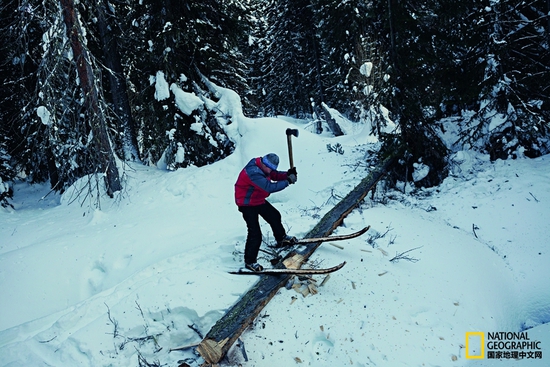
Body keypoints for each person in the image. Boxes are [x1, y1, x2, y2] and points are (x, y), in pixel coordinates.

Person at [234, 153, 298, 271]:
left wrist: (287, 174)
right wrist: (288, 181)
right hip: (246, 203)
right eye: (268, 167)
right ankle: (250, 261)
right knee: (255, 233)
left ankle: (281, 239)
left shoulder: (264, 167)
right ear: (263, 163)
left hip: (257, 199)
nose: (270, 170)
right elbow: (269, 187)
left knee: (274, 216)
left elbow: (273, 174)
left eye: (271, 168)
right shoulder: (253, 172)